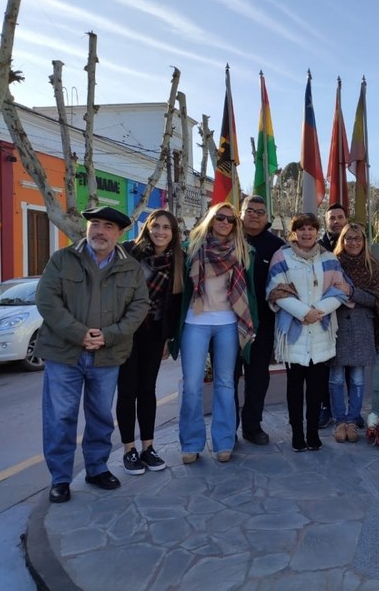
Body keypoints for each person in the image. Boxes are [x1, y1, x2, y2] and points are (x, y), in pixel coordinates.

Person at [36, 206, 149, 503]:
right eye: (95, 224)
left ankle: (97, 469)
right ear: (87, 228)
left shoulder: (131, 268)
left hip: (107, 355)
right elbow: (47, 301)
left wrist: (108, 335)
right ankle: (60, 478)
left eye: (108, 226)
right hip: (64, 354)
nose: (99, 230)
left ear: (120, 233)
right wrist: (79, 333)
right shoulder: (63, 259)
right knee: (60, 418)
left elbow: (139, 307)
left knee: (100, 416)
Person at [176, 202, 256, 465]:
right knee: (191, 385)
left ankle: (224, 442)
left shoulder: (244, 252)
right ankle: (191, 443)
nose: (225, 223)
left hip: (228, 324)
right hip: (195, 322)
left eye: (231, 220)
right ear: (211, 219)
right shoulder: (192, 249)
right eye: (220, 217)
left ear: (236, 225)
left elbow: (251, 292)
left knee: (225, 383)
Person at [267, 213, 348, 452]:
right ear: (294, 232)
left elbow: (341, 290)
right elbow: (276, 290)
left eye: (311, 228)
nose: (307, 233)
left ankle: (312, 433)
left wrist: (318, 311)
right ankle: (297, 434)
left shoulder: (329, 258)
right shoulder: (281, 256)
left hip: (321, 332)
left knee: (315, 389)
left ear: (316, 231)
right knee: (294, 388)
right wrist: (304, 313)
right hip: (294, 332)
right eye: (301, 228)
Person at [117, 209, 184, 475]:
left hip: (155, 333)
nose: (161, 232)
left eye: (167, 227)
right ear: (148, 227)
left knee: (147, 389)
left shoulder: (179, 260)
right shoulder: (129, 252)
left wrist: (169, 337)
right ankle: (128, 450)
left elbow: (175, 303)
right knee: (127, 390)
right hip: (126, 331)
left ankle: (148, 447)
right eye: (156, 226)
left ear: (173, 233)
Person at [233, 196, 285, 446]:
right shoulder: (228, 238)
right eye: (249, 210)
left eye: (260, 212)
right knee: (227, 377)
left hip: (263, 324)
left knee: (257, 377)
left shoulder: (277, 246)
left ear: (267, 217)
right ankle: (227, 428)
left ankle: (252, 426)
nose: (254, 215)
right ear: (240, 214)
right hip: (228, 323)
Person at [329, 223, 379, 443]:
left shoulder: (372, 264)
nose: (353, 242)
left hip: (363, 326)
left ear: (364, 241)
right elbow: (325, 290)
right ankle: (339, 421)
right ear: (341, 241)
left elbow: (375, 298)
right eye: (348, 238)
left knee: (357, 378)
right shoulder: (332, 263)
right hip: (337, 324)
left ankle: (353, 420)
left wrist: (351, 292)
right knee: (335, 377)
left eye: (358, 238)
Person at [316, 202, 349, 428]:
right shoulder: (317, 248)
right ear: (326, 221)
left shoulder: (355, 243)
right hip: (323, 315)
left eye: (340, 217)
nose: (336, 221)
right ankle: (325, 408)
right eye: (332, 218)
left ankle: (348, 412)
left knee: (349, 368)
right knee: (324, 368)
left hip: (351, 316)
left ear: (346, 220)